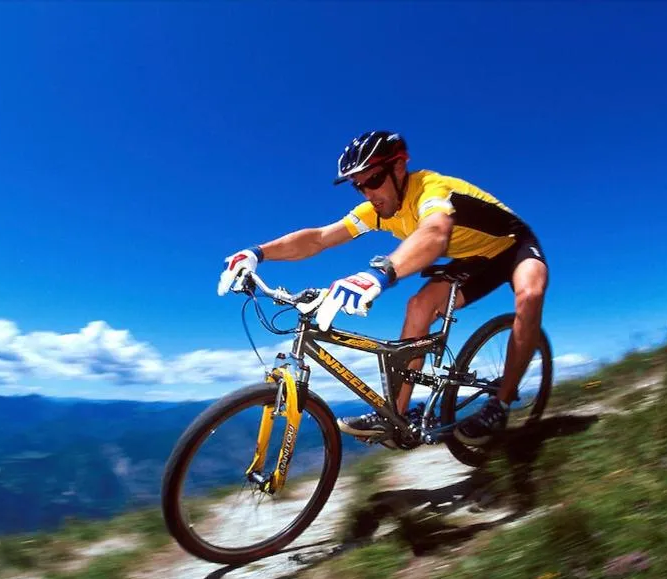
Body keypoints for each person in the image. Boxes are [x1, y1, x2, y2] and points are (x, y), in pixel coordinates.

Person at [217, 130, 549, 446]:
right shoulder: (377, 212)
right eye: (358, 186)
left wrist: (380, 275)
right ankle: (396, 416)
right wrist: (258, 253)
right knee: (418, 307)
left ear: (399, 167)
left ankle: (501, 403)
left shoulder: (431, 189)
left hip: (513, 246)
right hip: (473, 259)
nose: (368, 193)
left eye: (373, 180)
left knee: (530, 295)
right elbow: (319, 238)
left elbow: (435, 232)